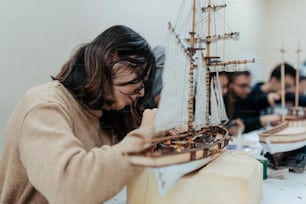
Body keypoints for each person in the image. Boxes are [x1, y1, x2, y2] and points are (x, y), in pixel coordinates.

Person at [0, 25, 159, 203]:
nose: (142, 92)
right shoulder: (45, 104)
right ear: (110, 58)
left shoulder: (104, 114)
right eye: (138, 76)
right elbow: (69, 189)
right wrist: (144, 137)